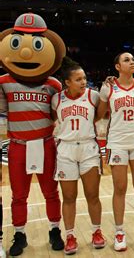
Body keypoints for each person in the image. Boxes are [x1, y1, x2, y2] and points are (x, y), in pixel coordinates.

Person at [0, 13, 66, 256]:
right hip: (18, 145)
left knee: (51, 191)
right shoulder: (4, 82)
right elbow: (2, 110)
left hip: (45, 143)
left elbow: (59, 114)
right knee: (19, 194)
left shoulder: (54, 84)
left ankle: (54, 229)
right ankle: (19, 234)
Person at [97, 52, 134, 251]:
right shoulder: (108, 87)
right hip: (116, 142)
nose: (131, 62)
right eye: (126, 60)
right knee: (119, 188)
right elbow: (100, 113)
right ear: (117, 67)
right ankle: (119, 231)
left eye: (132, 60)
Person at [51, 58, 105, 254]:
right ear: (67, 82)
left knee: (92, 195)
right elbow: (52, 118)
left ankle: (97, 232)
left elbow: (100, 116)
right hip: (65, 149)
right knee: (69, 197)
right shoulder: (56, 99)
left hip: (88, 148)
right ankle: (70, 236)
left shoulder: (93, 96)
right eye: (78, 79)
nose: (84, 82)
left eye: (84, 78)